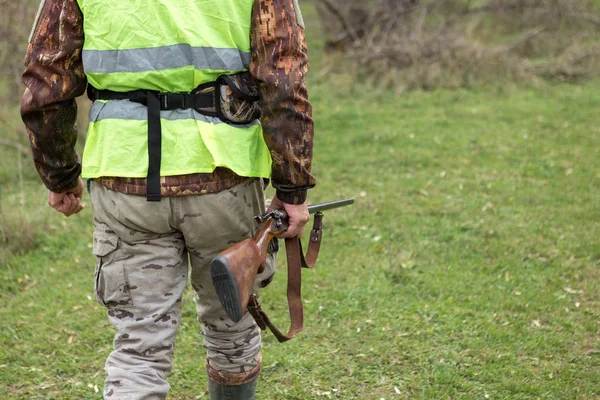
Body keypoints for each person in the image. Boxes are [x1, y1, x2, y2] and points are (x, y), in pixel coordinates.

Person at [21, 0, 315, 398]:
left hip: (125, 178)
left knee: (139, 348)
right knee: (232, 327)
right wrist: (291, 188)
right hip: (223, 179)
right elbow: (283, 81)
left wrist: (59, 173)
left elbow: (45, 83)